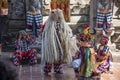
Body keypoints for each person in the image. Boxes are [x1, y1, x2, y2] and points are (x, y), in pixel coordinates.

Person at [41, 9, 74, 74]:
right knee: (50, 56)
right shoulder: (48, 24)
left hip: (60, 42)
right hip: (51, 43)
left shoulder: (62, 23)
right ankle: (47, 69)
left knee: (59, 56)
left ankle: (58, 68)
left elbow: (67, 31)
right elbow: (43, 32)